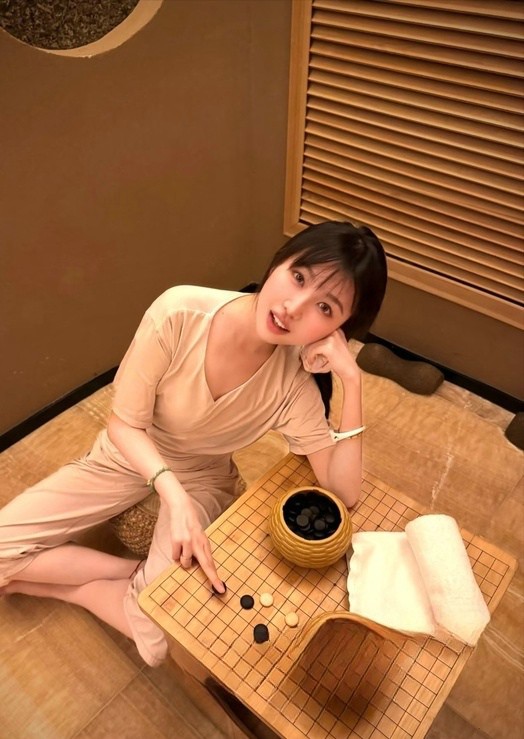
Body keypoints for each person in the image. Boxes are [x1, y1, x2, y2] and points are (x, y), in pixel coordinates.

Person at [0, 220, 387, 666]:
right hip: (127, 455)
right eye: (298, 277)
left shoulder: (295, 385)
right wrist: (173, 497)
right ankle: (134, 577)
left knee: (156, 645)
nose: (293, 307)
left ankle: (83, 591)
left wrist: (352, 380)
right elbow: (124, 426)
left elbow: (343, 492)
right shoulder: (179, 313)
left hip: (204, 478)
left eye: (324, 307)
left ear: (339, 329)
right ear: (280, 262)